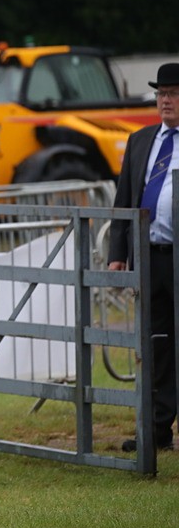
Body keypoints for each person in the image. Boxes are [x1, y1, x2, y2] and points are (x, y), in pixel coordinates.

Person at [109, 62, 179, 452]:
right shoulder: (141, 140)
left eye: (172, 94)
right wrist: (118, 254)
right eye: (160, 94)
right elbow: (124, 199)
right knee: (155, 345)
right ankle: (155, 430)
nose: (165, 101)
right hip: (150, 257)